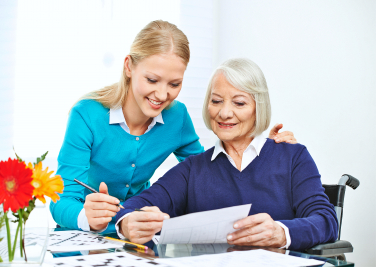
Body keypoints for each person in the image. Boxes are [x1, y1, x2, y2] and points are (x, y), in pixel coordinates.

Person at [50, 21, 296, 235]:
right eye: (152, 80)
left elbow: (209, 172)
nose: (162, 94)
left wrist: (262, 149)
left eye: (174, 83)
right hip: (82, 235)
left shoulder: (176, 117)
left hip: (138, 236)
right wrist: (87, 218)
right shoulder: (87, 114)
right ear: (129, 67)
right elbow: (62, 200)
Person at [115, 58, 338, 251]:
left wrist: (281, 233)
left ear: (258, 108)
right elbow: (132, 207)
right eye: (216, 101)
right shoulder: (193, 169)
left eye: (239, 103)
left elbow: (326, 220)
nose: (224, 113)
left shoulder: (293, 157)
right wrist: (127, 222)